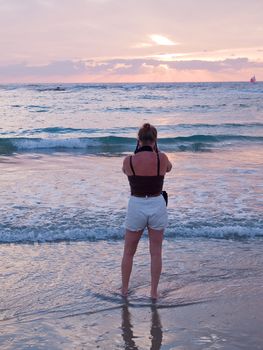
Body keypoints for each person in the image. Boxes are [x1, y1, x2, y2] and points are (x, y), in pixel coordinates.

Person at [121, 123, 172, 299]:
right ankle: (153, 293)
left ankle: (124, 290)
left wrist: (137, 153)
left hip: (136, 206)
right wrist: (157, 152)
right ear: (155, 140)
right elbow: (169, 168)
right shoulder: (162, 158)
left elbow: (125, 171)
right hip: (157, 205)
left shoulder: (128, 161)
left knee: (128, 252)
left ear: (139, 140)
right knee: (156, 252)